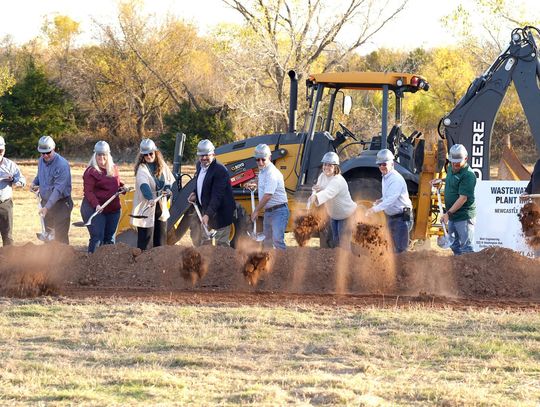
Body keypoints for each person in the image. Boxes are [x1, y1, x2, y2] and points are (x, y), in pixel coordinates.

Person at [187, 139, 235, 246]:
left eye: (207, 155)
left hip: (221, 213)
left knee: (220, 247)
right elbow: (201, 183)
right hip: (207, 211)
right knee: (206, 244)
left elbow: (217, 196)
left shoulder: (220, 170)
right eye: (201, 155)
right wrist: (195, 193)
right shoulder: (199, 166)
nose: (204, 158)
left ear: (213, 154)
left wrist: (208, 214)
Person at [81, 141, 126, 253]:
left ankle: (109, 266)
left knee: (110, 239)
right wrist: (96, 205)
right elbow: (88, 192)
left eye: (104, 154)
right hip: (94, 209)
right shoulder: (90, 172)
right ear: (95, 155)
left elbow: (116, 183)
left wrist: (123, 187)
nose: (101, 157)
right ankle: (92, 263)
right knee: (98, 237)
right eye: (99, 155)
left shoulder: (114, 168)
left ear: (108, 155)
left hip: (113, 210)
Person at [432, 144, 476, 255]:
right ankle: (457, 269)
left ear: (466, 159)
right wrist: (441, 180)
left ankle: (469, 271)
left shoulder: (468, 175)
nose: (455, 164)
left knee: (466, 248)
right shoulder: (452, 167)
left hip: (463, 217)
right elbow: (452, 179)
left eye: (458, 162)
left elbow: (463, 198)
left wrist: (448, 214)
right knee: (454, 245)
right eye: (452, 161)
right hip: (452, 215)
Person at [366, 149, 413, 253]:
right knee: (390, 247)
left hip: (401, 218)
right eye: (379, 165)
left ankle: (402, 268)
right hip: (392, 217)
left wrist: (374, 209)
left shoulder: (395, 179)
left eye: (384, 164)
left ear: (392, 164)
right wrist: (381, 200)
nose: (382, 167)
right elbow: (388, 196)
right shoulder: (385, 177)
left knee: (400, 250)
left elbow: (391, 199)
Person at [131, 138, 175, 250]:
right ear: (142, 156)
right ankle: (143, 263)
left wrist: (167, 189)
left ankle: (159, 263)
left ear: (155, 152)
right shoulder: (142, 168)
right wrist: (150, 198)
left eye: (151, 153)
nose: (149, 156)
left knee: (160, 239)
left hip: (160, 206)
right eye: (146, 155)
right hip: (147, 205)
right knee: (145, 240)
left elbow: (168, 180)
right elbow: (143, 184)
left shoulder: (162, 165)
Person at [30, 135, 73, 244]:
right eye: (42, 153)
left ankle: (63, 260)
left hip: (61, 205)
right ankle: (48, 260)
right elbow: (40, 175)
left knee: (60, 238)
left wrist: (46, 208)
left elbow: (58, 190)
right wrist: (35, 183)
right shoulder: (41, 160)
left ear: (53, 149)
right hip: (46, 203)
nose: (45, 155)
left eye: (48, 152)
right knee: (48, 237)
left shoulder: (62, 165)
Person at [309, 152, 357, 249]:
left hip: (346, 215)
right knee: (335, 240)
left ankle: (347, 262)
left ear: (335, 167)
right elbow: (317, 188)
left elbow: (328, 192)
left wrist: (316, 197)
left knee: (343, 242)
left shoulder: (337, 180)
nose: (326, 167)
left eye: (330, 165)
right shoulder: (322, 176)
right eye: (325, 164)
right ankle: (337, 261)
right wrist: (314, 192)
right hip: (334, 214)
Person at [250, 143, 289, 249]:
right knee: (267, 241)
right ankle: (268, 264)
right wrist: (254, 182)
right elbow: (262, 182)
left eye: (263, 159)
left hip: (279, 211)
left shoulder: (272, 173)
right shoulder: (263, 171)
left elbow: (268, 195)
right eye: (257, 160)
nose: (260, 162)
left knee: (277, 240)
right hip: (269, 211)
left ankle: (283, 263)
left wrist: (256, 210)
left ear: (270, 158)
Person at [0, 135, 26, 246]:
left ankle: (9, 262)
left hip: (5, 204)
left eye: (1, 150)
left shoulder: (10, 165)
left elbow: (22, 181)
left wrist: (14, 180)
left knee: (8, 237)